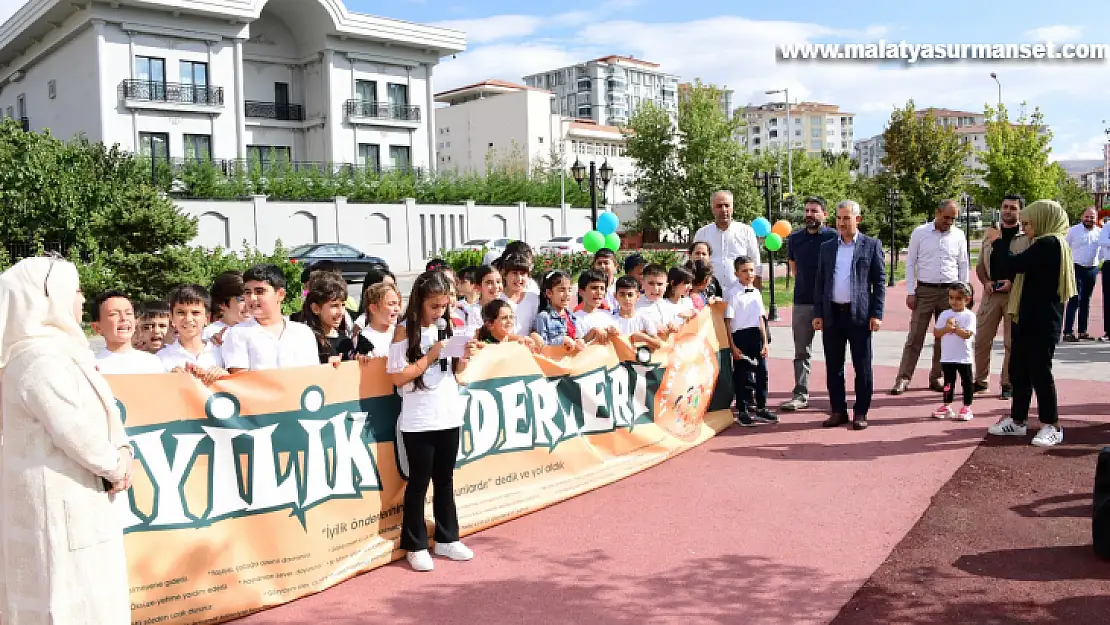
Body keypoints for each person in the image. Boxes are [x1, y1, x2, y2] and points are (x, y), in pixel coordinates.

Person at [0, 256, 134, 624]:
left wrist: (123, 450)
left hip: (81, 494)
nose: (79, 298)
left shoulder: (64, 350)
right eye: (74, 291)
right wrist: (116, 464)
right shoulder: (36, 360)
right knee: (62, 599)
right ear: (49, 297)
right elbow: (73, 431)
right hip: (55, 503)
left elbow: (105, 411)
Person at [387, 271, 479, 572]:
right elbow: (398, 377)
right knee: (418, 483)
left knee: (445, 480)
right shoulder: (404, 331)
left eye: (443, 306)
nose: (439, 312)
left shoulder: (447, 326)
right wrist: (430, 355)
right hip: (419, 418)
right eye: (434, 306)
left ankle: (446, 538)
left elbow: (454, 371)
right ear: (419, 302)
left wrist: (464, 355)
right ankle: (414, 544)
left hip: (449, 413)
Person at [985, 200, 1077, 447]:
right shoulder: (1044, 243)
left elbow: (1012, 264)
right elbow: (1028, 273)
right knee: (1019, 371)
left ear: (1043, 219)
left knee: (1039, 373)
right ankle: (1017, 421)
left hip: (1042, 320)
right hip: (1028, 316)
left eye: (1028, 223)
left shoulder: (1050, 243)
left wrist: (997, 241)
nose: (1025, 229)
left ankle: (1052, 425)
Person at [813, 200, 886, 430]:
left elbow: (879, 282)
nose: (842, 223)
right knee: (834, 366)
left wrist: (876, 313)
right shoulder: (826, 247)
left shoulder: (871, 245)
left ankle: (861, 412)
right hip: (832, 314)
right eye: (839, 218)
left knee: (862, 366)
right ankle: (838, 411)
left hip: (859, 316)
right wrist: (818, 313)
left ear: (858, 219)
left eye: (846, 218)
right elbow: (820, 282)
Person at [891, 199, 969, 395]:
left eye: (953, 219)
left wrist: (964, 291)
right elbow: (910, 263)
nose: (949, 222)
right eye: (946, 217)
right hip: (925, 291)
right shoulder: (920, 233)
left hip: (950, 292)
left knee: (945, 336)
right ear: (937, 212)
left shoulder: (959, 235)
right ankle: (903, 378)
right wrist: (910, 291)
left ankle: (937, 377)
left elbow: (963, 264)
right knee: (915, 336)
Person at [781, 196, 837, 412]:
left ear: (824, 213)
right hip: (803, 301)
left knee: (834, 351)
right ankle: (800, 394)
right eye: (807, 210)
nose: (809, 215)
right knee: (801, 351)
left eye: (814, 211)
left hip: (830, 302)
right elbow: (794, 269)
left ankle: (835, 396)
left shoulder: (833, 237)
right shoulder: (795, 239)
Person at [973, 195, 1027, 399]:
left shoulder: (1025, 236)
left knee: (1011, 343)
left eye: (1013, 208)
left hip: (1014, 294)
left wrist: (1013, 283)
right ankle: (980, 380)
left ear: (1020, 211)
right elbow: (980, 266)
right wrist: (986, 282)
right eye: (1005, 207)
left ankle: (1008, 383)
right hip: (991, 293)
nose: (1008, 211)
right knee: (981, 339)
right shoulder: (991, 233)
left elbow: (1025, 266)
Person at [222, 264, 318, 372]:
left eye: (260, 291)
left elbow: (312, 375)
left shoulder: (302, 332)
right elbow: (241, 380)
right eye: (248, 292)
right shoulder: (238, 333)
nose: (252, 298)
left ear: (280, 294)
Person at [724, 256, 775, 427]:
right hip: (740, 336)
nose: (749, 274)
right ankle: (743, 409)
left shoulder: (756, 292)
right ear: (736, 273)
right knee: (742, 375)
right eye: (744, 271)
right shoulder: (732, 293)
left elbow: (761, 318)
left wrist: (765, 342)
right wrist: (733, 346)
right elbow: (728, 321)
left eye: (751, 270)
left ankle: (761, 407)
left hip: (756, 337)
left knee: (762, 373)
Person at [693, 190, 762, 292]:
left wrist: (756, 292)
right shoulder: (702, 233)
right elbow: (694, 264)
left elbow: (755, 263)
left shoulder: (746, 231)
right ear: (712, 209)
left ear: (732, 207)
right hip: (710, 293)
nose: (723, 209)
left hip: (740, 293)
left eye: (727, 205)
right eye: (719, 206)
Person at [157, 284, 227, 383]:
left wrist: (226, 376)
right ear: (171, 317)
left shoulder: (222, 353)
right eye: (181, 313)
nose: (188, 319)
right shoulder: (161, 358)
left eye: (195, 313)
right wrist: (169, 381)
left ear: (207, 318)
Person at [300, 272, 373, 364]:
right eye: (334, 306)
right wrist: (325, 365)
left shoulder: (345, 342)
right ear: (316, 308)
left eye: (343, 305)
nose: (340, 312)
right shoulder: (306, 341)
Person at [932, 282, 976, 421]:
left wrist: (955, 329)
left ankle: (967, 407)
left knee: (967, 382)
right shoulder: (945, 314)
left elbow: (968, 334)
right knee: (948, 383)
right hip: (948, 357)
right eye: (951, 298)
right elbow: (937, 332)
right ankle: (946, 405)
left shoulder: (969, 316)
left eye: (958, 298)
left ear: (967, 300)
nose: (954, 302)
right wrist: (946, 329)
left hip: (964, 357)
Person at [91, 290, 164, 374]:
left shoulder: (153, 363)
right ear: (97, 327)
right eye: (114, 314)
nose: (123, 318)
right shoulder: (91, 367)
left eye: (128, 313)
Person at [1062, 206, 1102, 342]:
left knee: (1086, 300)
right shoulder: (1073, 231)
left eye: (1092, 217)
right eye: (1087, 216)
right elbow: (1065, 248)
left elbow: (1102, 251)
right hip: (1076, 267)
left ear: (1096, 219)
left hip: (1092, 269)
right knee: (1074, 300)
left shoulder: (1099, 232)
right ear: (1082, 217)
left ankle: (1083, 331)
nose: (1089, 219)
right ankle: (1068, 332)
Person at [532, 270, 583, 352]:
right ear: (549, 293)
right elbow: (542, 345)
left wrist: (579, 341)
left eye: (569, 290)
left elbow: (578, 336)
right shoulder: (544, 317)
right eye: (562, 290)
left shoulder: (572, 316)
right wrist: (561, 341)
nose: (567, 294)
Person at [612, 276, 662, 348]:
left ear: (638, 296)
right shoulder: (610, 320)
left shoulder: (644, 318)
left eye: (630, 295)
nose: (626, 298)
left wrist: (645, 338)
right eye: (622, 294)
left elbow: (659, 344)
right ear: (615, 296)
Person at [498, 253, 540, 336]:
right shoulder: (497, 299)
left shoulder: (533, 298)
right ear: (504, 274)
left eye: (522, 274)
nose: (519, 278)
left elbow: (536, 326)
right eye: (514, 273)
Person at [475, 299, 542, 351]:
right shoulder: (482, 348)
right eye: (504, 318)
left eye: (511, 317)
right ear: (490, 324)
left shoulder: (517, 344)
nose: (509, 321)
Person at [574, 270, 619, 344]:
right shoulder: (575, 319)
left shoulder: (608, 315)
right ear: (581, 292)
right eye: (594, 288)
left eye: (602, 288)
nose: (599, 292)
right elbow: (575, 348)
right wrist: (591, 334)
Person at [205, 270, 250, 343]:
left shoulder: (260, 329)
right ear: (222, 303)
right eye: (241, 300)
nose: (248, 305)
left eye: (249, 298)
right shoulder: (210, 334)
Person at [360, 282, 403, 357]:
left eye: (398, 304)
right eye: (391, 304)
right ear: (373, 308)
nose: (397, 309)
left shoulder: (401, 332)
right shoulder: (364, 338)